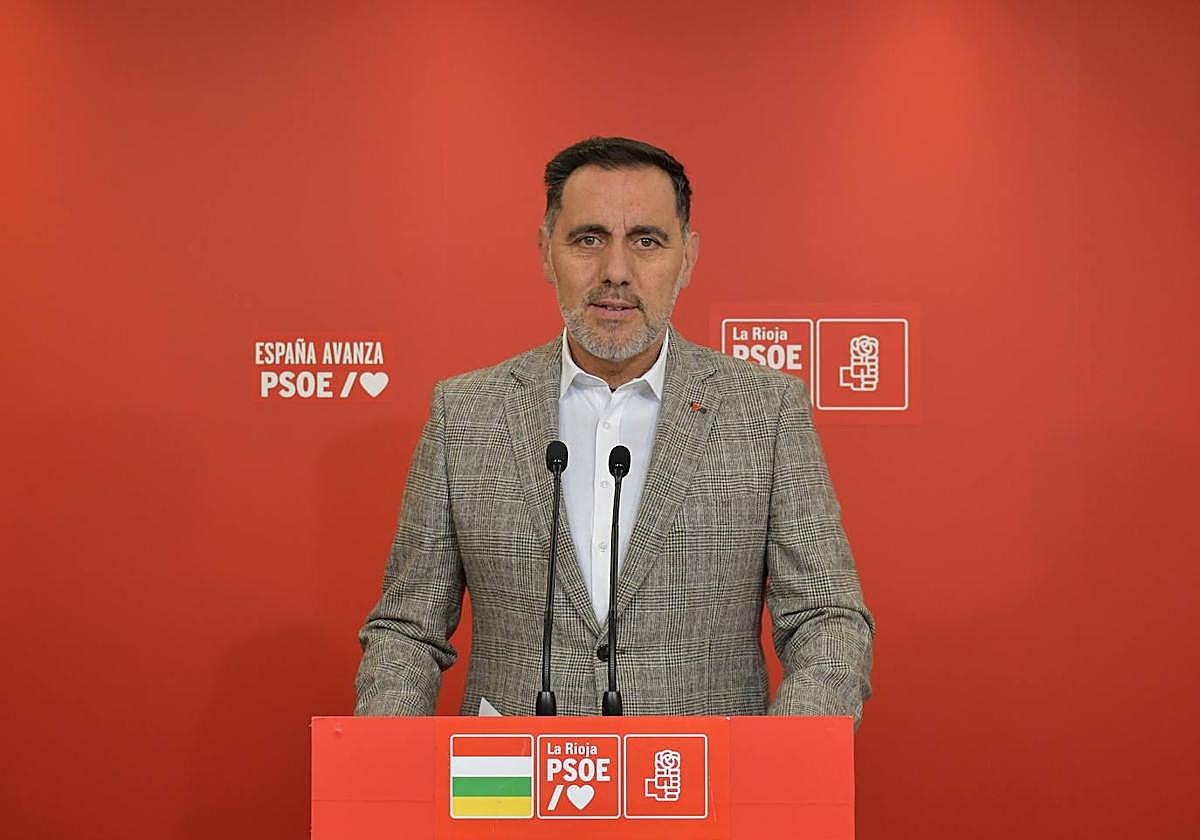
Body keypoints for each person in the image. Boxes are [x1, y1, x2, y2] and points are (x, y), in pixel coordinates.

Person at [355, 136, 875, 722]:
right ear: (546, 251)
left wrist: (782, 758)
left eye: (646, 241)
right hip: (515, 775)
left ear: (688, 257)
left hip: (702, 775)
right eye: (589, 239)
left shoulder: (766, 411)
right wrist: (385, 755)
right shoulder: (466, 414)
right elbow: (408, 630)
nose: (616, 272)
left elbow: (827, 620)